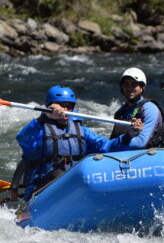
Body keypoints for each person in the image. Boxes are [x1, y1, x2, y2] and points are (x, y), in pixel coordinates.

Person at [10, 85, 142, 202]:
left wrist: (128, 135)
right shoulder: (39, 129)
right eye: (61, 105)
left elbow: (107, 147)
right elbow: (23, 139)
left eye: (69, 106)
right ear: (50, 106)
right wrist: (44, 117)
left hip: (72, 189)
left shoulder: (82, 132)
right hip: (43, 191)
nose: (65, 109)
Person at [110, 67, 164, 149]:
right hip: (124, 152)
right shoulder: (120, 112)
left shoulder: (149, 109)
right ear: (122, 87)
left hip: (148, 154)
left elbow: (141, 142)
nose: (129, 88)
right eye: (126, 84)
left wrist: (115, 144)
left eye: (134, 84)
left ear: (142, 88)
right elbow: (113, 138)